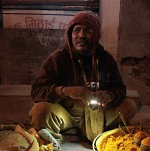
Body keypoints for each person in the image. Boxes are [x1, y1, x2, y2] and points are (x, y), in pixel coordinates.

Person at [29, 11, 137, 142]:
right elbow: (37, 92)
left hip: (100, 114)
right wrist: (66, 91)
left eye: (87, 31)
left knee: (129, 106)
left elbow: (120, 89)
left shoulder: (106, 59)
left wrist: (110, 95)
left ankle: (95, 132)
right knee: (40, 111)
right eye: (77, 30)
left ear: (96, 35)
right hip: (67, 114)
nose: (81, 35)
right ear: (70, 35)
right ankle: (64, 135)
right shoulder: (58, 59)